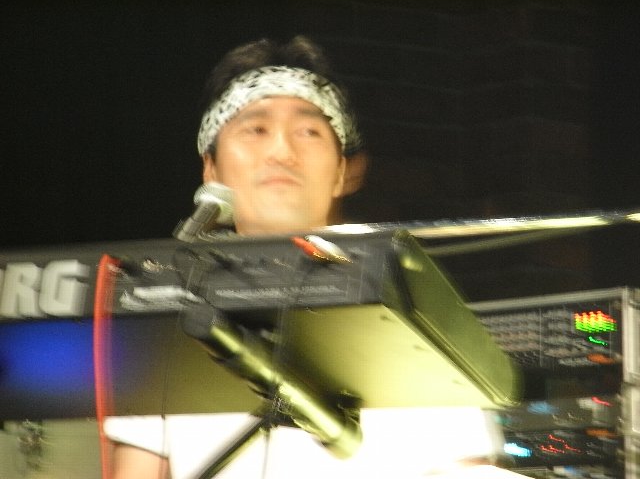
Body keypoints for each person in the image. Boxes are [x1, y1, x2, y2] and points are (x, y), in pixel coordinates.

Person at [104, 36, 506, 479]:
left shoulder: (408, 302)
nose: (281, 152)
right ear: (211, 169)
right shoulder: (163, 310)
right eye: (256, 130)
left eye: (309, 132)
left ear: (342, 172)